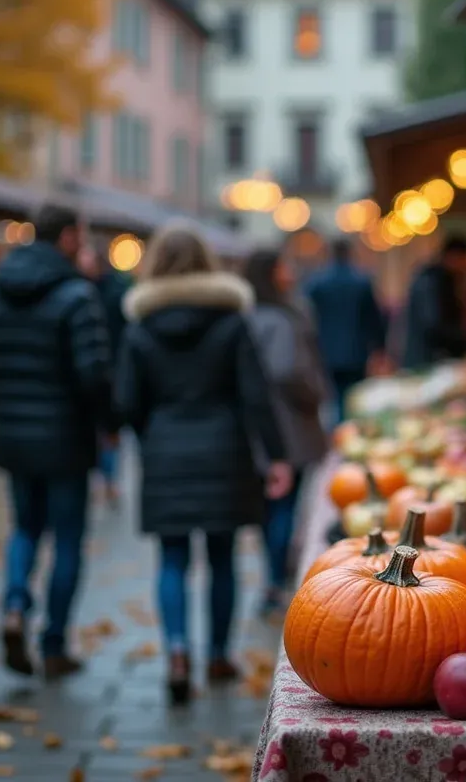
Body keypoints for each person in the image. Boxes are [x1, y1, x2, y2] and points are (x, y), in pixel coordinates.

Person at [115, 225, 291, 704]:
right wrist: (276, 455)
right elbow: (256, 395)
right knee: (222, 558)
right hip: (225, 450)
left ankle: (176, 650)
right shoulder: (233, 321)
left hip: (166, 451)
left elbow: (127, 402)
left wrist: (150, 436)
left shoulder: (139, 326)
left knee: (171, 558)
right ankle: (217, 654)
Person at [0, 205, 116, 679]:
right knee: (68, 538)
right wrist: (108, 422)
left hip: (15, 435)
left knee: (25, 529)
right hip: (66, 439)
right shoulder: (76, 297)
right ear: (70, 237)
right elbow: (93, 375)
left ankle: (14, 605)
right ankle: (54, 643)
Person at [244, 249, 328, 614]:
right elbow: (287, 370)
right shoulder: (279, 318)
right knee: (283, 504)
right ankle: (276, 580)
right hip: (288, 423)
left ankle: (274, 573)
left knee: (271, 505)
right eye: (282, 265)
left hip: (262, 425)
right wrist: (315, 392)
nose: (289, 270)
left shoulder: (247, 315)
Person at [302, 238, 385, 423]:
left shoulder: (317, 283)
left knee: (334, 397)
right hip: (356, 350)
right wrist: (380, 347)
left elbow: (307, 318)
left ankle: (340, 430)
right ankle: (350, 429)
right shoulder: (361, 281)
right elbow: (373, 318)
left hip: (325, 349)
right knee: (354, 396)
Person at [80, 248, 131, 505]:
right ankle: (100, 479)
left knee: (110, 431)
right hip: (91, 369)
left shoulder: (115, 291)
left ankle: (109, 480)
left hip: (110, 371)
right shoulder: (79, 290)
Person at [401, 235, 466, 370]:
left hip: (430, 357)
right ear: (453, 256)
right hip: (425, 360)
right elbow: (433, 326)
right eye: (465, 260)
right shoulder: (431, 283)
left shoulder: (441, 281)